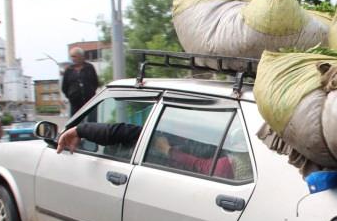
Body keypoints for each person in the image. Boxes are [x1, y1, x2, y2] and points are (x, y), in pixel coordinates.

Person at [56, 122, 234, 179]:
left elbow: (202, 166)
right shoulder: (213, 142)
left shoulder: (223, 160)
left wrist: (169, 151)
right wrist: (82, 130)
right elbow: (123, 131)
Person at [61, 47, 99, 116]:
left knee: (91, 123)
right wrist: (71, 96)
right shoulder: (68, 70)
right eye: (71, 56)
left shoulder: (89, 67)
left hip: (89, 102)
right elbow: (64, 87)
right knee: (76, 124)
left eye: (74, 56)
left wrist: (90, 92)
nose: (73, 58)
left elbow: (95, 82)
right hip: (75, 104)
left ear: (81, 56)